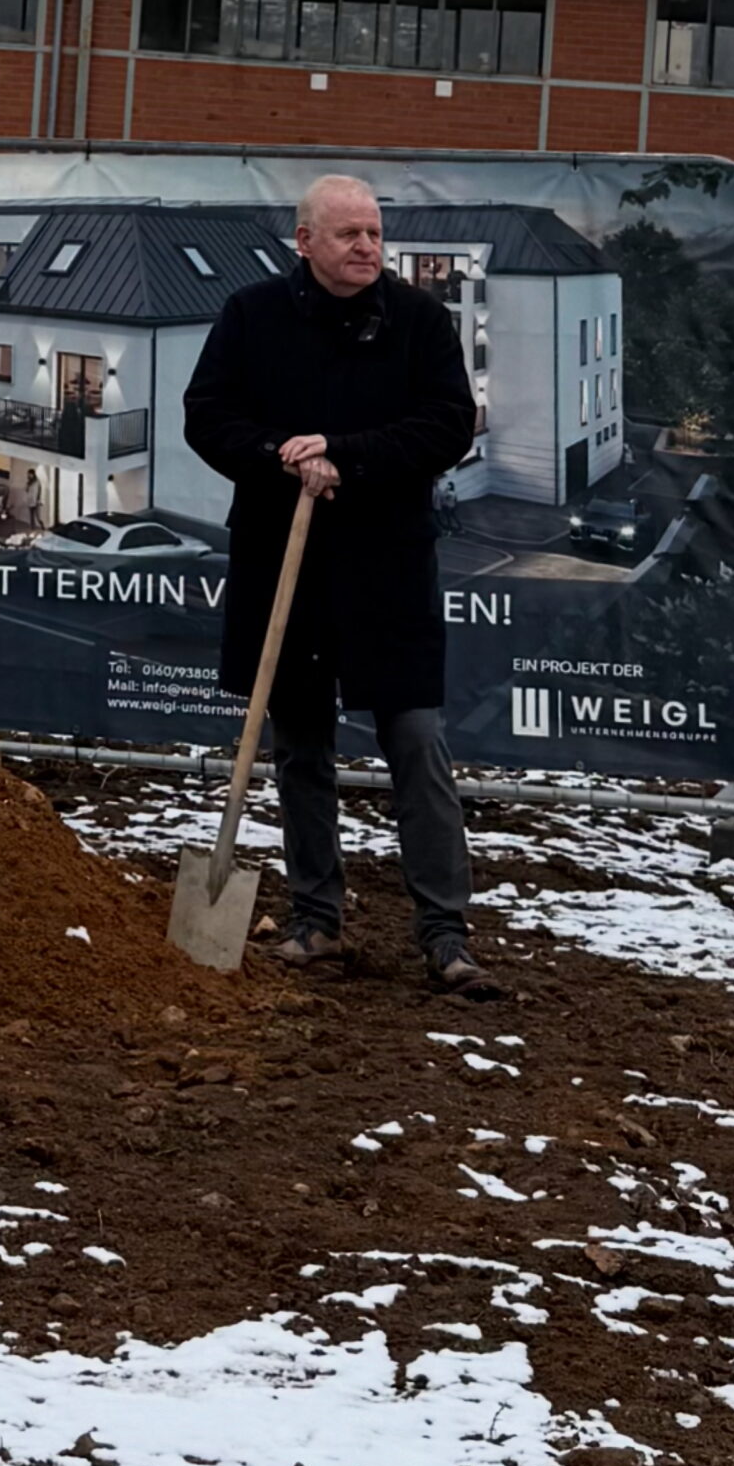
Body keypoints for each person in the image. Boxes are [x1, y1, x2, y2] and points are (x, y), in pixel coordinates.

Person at [183, 175, 493, 999]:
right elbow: (208, 414)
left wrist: (345, 456)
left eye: (375, 234)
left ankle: (445, 933)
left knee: (416, 740)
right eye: (349, 233)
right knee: (300, 746)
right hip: (283, 560)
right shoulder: (252, 315)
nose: (366, 247)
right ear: (305, 242)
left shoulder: (419, 321)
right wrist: (280, 456)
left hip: (387, 568)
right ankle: (315, 920)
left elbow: (447, 424)